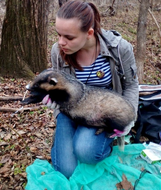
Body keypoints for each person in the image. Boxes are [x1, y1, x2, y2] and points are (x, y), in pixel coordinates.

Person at [45, 0, 139, 178]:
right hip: (70, 111)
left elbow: (131, 85)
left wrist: (128, 118)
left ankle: (99, 144)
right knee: (66, 171)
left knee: (86, 152)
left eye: (69, 37)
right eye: (58, 34)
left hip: (102, 113)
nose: (61, 42)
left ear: (89, 33)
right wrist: (52, 96)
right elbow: (57, 84)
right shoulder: (58, 51)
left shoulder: (119, 49)